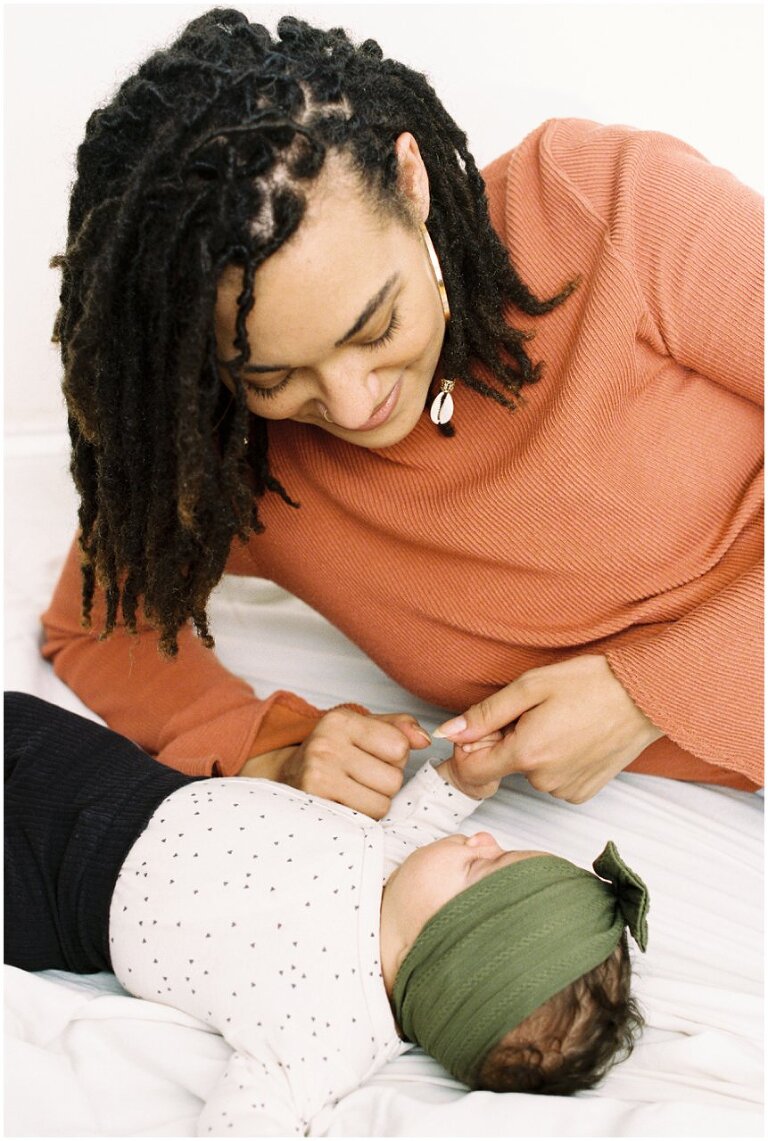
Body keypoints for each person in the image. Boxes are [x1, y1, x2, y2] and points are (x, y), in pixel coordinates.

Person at [42, 9, 763, 811]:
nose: (353, 405)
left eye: (377, 326)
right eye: (274, 374)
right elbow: (95, 627)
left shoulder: (600, 204)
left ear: (411, 181)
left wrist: (647, 694)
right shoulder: (238, 458)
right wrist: (270, 746)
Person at [5, 692, 647, 1134]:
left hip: (61, 898)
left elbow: (250, 1116)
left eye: (483, 865)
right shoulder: (402, 870)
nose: (482, 841)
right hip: (124, 783)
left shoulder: (331, 1036)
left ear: (442, 953)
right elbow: (429, 814)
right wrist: (465, 781)